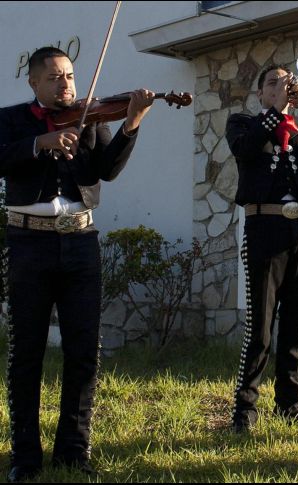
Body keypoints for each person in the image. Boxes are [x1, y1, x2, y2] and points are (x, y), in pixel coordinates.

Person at [0, 47, 154, 481]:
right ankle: (25, 456)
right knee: (26, 352)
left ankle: (74, 450)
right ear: (33, 83)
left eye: (69, 76)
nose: (65, 85)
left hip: (81, 242)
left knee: (84, 352)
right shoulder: (11, 120)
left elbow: (106, 171)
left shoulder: (90, 118)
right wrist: (38, 143)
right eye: (53, 78)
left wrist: (131, 123)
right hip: (29, 240)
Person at [225, 64, 298, 432]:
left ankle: (289, 407)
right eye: (272, 82)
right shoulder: (242, 122)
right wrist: (276, 109)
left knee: (294, 324)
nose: (282, 86)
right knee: (260, 327)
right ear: (260, 94)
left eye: (286, 81)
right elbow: (245, 149)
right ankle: (245, 410)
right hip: (263, 227)